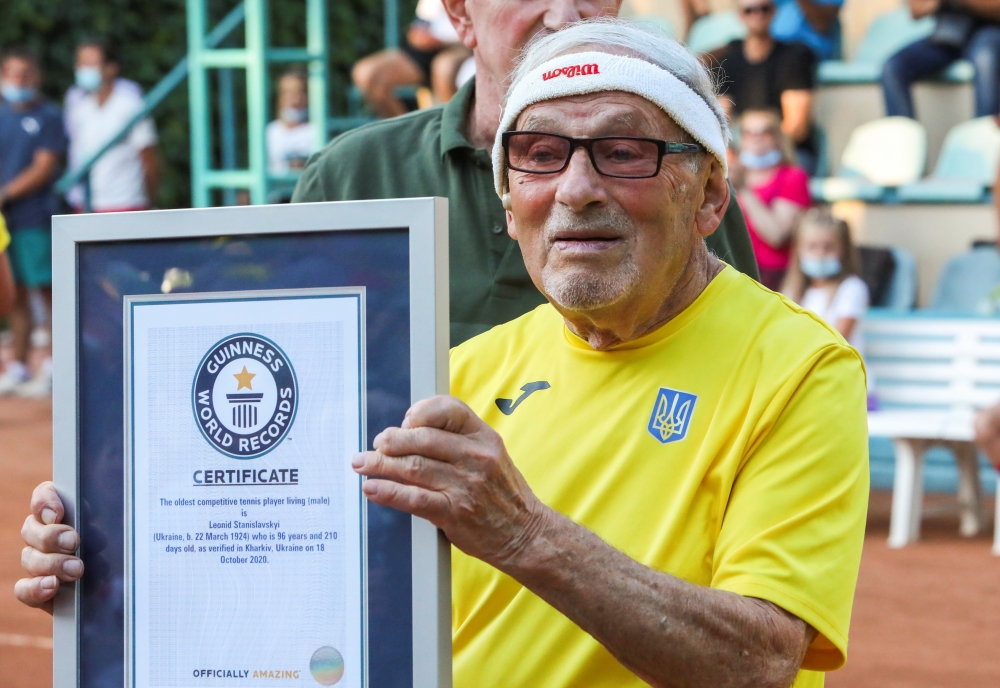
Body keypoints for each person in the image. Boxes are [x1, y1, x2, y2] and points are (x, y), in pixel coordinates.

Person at [17, 19, 870, 688]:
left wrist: (527, 536)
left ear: (710, 193)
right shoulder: (464, 370)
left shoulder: (801, 369)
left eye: (624, 152)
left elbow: (759, 663)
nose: (576, 189)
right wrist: (118, 567)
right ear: (508, 202)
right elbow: (308, 588)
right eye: (539, 158)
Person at [296, 0, 759, 347]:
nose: (563, 18)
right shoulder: (351, 179)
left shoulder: (674, 180)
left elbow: (736, 361)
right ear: (459, 13)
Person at [0, 47, 67, 397]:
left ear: (36, 77)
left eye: (25, 73)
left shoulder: (49, 117)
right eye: (12, 73)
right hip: (5, 223)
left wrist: (5, 194)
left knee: (50, 292)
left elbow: (44, 167)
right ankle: (19, 366)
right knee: (15, 296)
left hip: (34, 217)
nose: (19, 80)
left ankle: (57, 367)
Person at [714, 0, 819, 173]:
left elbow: (796, 128)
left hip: (788, 152)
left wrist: (758, 152)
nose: (758, 14)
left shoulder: (794, 56)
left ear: (774, 11)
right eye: (750, 10)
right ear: (740, 15)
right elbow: (722, 122)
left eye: (764, 8)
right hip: (745, 150)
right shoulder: (729, 60)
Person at [64, 39, 160, 212]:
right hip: (86, 204)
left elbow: (149, 157)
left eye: (90, 64)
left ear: (111, 67)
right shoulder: (77, 104)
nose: (83, 69)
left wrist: (149, 199)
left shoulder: (130, 103)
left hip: (127, 203)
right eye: (81, 63)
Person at [731, 109, 810, 290]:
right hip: (734, 270)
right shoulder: (729, 176)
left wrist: (743, 189)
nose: (756, 139)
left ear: (778, 138)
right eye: (749, 133)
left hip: (775, 276)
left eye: (765, 132)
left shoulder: (793, 177)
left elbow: (777, 235)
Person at [352, 0, 472, 118]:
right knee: (366, 73)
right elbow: (418, 27)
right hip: (425, 50)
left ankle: (450, 131)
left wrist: (446, 43)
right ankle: (407, 132)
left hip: (464, 46)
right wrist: (419, 37)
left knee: (443, 67)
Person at [882, 1, 1000, 120]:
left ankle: (987, 135)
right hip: (949, 34)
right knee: (892, 66)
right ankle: (903, 136)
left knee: (984, 60)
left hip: (990, 30)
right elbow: (916, 11)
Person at [781, 208, 868, 352]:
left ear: (843, 250)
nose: (820, 254)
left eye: (828, 247)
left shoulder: (851, 288)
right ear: (798, 251)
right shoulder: (791, 292)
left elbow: (836, 342)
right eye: (812, 247)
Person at [266, 67, 316, 175]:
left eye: (299, 92)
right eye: (287, 92)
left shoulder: (317, 131)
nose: (294, 99)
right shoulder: (270, 132)